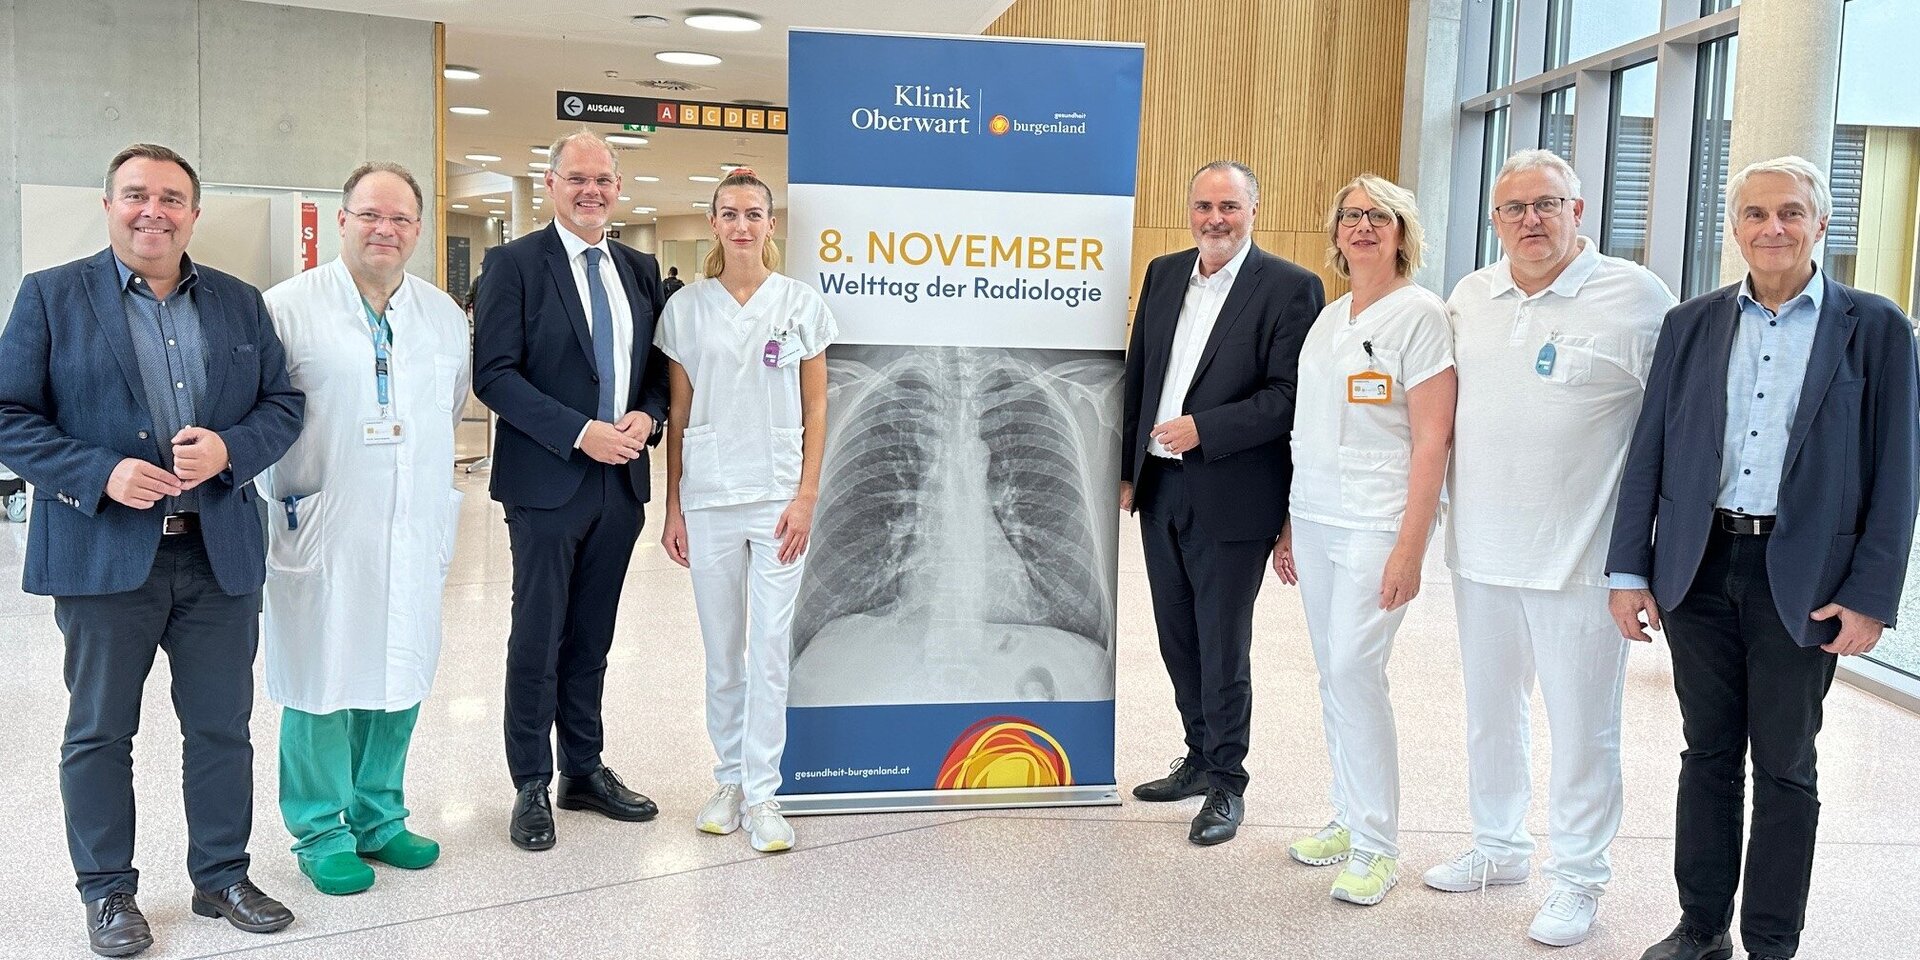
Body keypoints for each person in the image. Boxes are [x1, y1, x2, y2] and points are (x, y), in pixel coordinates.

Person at [1609, 155, 1919, 960]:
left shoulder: (1875, 327)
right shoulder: (1691, 323)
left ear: (1821, 224)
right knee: (1707, 753)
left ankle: (1772, 942)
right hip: (1698, 568)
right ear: (1735, 226)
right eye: (1755, 213)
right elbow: (1649, 451)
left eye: (1789, 212)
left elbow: (1898, 473)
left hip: (1807, 580)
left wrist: (1871, 594)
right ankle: (1701, 927)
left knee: (1785, 765)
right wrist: (1628, 569)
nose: (1771, 228)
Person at [0, 143, 303, 956]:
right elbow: (8, 415)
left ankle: (222, 876)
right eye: (137, 195)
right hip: (104, 558)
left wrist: (232, 450)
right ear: (108, 205)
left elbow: (282, 404)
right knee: (100, 731)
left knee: (222, 729)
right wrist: (99, 473)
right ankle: (107, 891)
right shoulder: (51, 296)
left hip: (218, 553)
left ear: (193, 214)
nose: (153, 211)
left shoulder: (239, 302)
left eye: (171, 198)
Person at [1427, 149, 1675, 946]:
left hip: (1582, 564)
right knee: (1489, 714)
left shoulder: (1637, 298)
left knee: (1583, 729)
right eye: (1514, 208)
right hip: (1480, 553)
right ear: (1495, 220)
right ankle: (1500, 846)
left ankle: (1579, 879)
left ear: (1579, 211)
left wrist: (1647, 558)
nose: (1530, 220)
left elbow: (1676, 429)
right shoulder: (1470, 297)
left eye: (1547, 204)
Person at [259, 162, 470, 895]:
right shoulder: (286, 308)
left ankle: (380, 816)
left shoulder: (443, 316)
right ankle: (320, 829)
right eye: (371, 215)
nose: (386, 229)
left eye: (401, 218)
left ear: (419, 229)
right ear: (342, 219)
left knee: (400, 667)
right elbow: (260, 417)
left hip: (412, 521)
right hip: (323, 521)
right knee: (320, 675)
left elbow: (448, 408)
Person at [474, 130, 671, 851]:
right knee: (539, 634)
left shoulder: (638, 268)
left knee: (592, 635)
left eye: (603, 179)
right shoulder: (514, 264)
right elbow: (494, 374)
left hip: (620, 483)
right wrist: (578, 431)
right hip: (547, 481)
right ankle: (530, 780)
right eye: (577, 178)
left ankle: (582, 770)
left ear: (618, 188)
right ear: (551, 184)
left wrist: (650, 414)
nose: (592, 190)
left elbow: (659, 367)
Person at [1121, 160, 1325, 845]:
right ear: (1190, 211)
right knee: (1176, 636)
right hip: (1161, 486)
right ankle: (1198, 757)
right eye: (1205, 206)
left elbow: (1290, 397)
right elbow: (1141, 373)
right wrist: (1127, 468)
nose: (1216, 218)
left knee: (1222, 642)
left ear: (1253, 212)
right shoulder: (1163, 273)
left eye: (1229, 207)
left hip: (1234, 493)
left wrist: (1204, 428)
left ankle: (1228, 783)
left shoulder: (1291, 287)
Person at [1271, 174, 1454, 905]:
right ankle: (1347, 816)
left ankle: (1378, 846)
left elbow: (1434, 439)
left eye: (1380, 216)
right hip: (1316, 516)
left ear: (1402, 231)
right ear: (1336, 233)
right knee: (1332, 673)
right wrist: (1290, 522)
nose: (1364, 226)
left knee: (1355, 669)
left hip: (1379, 521)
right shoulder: (1329, 317)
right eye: (1351, 216)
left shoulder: (1422, 315)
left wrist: (1411, 547)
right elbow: (1308, 430)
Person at [658, 168, 834, 853]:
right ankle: (728, 778)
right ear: (714, 223)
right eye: (729, 213)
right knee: (722, 650)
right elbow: (679, 414)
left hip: (778, 499)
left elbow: (816, 407)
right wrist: (673, 507)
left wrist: (807, 496)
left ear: (770, 224)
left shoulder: (801, 304)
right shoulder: (685, 309)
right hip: (709, 497)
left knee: (768, 650)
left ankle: (764, 793)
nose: (741, 225)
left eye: (753, 214)